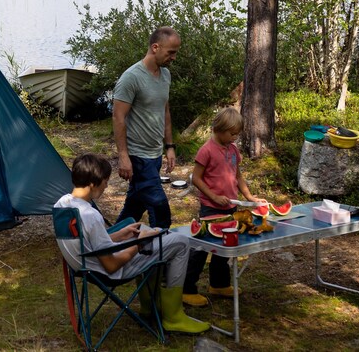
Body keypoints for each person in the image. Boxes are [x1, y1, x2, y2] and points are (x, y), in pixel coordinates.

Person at [54, 154, 209, 334]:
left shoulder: (62, 204)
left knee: (147, 229)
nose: (106, 185)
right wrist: (139, 242)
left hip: (85, 266)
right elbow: (111, 265)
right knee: (180, 242)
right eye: (105, 181)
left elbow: (87, 242)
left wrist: (121, 235)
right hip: (107, 272)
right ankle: (173, 316)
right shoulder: (90, 215)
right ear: (92, 184)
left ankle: (149, 307)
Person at [182, 107, 265, 307]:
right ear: (219, 129)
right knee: (201, 249)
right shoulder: (206, 150)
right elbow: (197, 179)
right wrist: (213, 196)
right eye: (232, 133)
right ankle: (187, 289)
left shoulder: (233, 149)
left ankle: (218, 284)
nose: (235, 137)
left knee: (225, 247)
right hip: (211, 208)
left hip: (230, 206)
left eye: (237, 133)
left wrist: (249, 196)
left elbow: (238, 176)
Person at [113, 26, 180, 230]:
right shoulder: (131, 77)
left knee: (133, 210)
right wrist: (123, 156)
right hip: (137, 156)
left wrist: (169, 146)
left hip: (154, 154)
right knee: (160, 211)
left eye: (176, 52)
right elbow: (118, 117)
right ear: (155, 47)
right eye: (171, 52)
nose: (174, 58)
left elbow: (165, 111)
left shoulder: (166, 75)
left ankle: (106, 246)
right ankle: (159, 258)